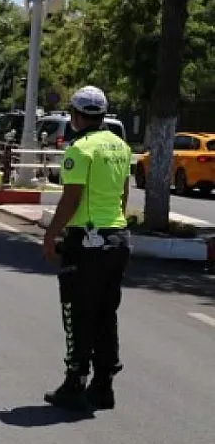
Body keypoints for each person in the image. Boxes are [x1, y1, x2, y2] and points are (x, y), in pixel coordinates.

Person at [42, 85, 132, 412]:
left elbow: (72, 198)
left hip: (87, 242)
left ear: (76, 116)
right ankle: (103, 385)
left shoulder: (79, 150)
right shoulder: (120, 146)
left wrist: (51, 235)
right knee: (106, 313)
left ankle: (75, 381)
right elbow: (123, 195)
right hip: (118, 238)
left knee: (77, 312)